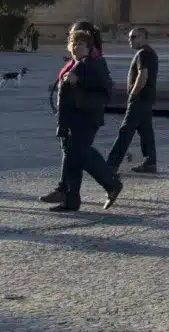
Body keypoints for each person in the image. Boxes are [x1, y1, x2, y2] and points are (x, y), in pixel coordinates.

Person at [49, 27, 120, 212]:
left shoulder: (91, 63)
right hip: (73, 118)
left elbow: (104, 87)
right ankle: (71, 201)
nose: (77, 46)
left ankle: (111, 183)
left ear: (89, 47)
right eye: (74, 43)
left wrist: (77, 80)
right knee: (73, 157)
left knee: (81, 153)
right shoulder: (74, 64)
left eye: (81, 43)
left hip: (86, 118)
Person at [107, 27, 159, 176]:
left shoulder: (143, 53)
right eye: (129, 37)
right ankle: (150, 162)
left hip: (140, 99)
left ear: (143, 36)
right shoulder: (150, 53)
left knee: (125, 131)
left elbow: (143, 76)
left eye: (133, 37)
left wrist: (133, 93)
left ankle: (111, 164)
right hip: (147, 99)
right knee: (146, 132)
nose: (130, 40)